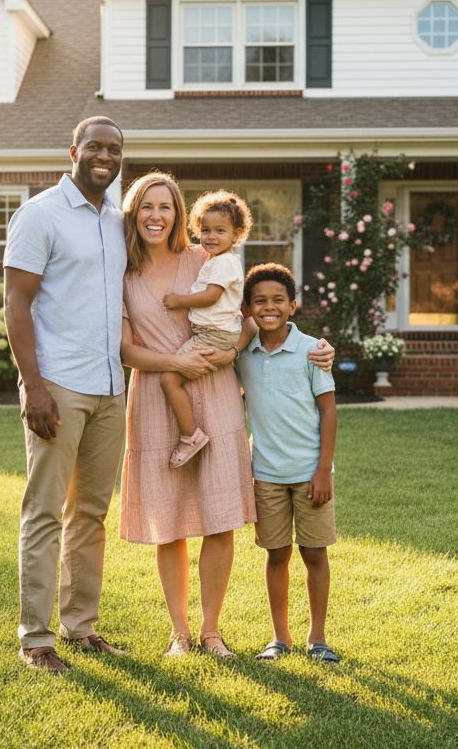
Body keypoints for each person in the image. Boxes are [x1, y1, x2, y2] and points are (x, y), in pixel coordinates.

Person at [117, 172, 334, 658]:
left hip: (214, 392)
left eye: (166, 206)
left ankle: (211, 631)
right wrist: (175, 362)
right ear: (133, 213)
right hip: (155, 396)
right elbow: (126, 349)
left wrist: (314, 348)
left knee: (218, 518)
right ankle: (179, 633)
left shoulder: (205, 258)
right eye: (146, 207)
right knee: (168, 523)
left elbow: (257, 313)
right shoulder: (123, 274)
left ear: (179, 215)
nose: (156, 216)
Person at [3, 116, 128, 674]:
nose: (105, 155)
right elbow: (15, 303)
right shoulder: (41, 215)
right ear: (74, 151)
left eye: (114, 149)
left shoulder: (117, 222)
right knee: (45, 511)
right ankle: (36, 637)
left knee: (92, 514)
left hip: (110, 388)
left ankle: (81, 627)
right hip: (57, 385)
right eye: (95, 147)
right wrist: (33, 385)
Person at [236, 263, 342, 665]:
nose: (269, 307)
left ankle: (318, 638)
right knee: (275, 555)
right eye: (260, 301)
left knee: (314, 554)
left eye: (278, 300)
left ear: (292, 306)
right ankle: (280, 638)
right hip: (265, 475)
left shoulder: (313, 350)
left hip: (310, 474)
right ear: (248, 309)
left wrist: (322, 469)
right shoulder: (243, 352)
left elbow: (328, 413)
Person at [159, 190, 249, 468]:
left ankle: (191, 435)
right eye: (205, 230)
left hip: (215, 335)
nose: (211, 236)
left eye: (220, 231)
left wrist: (178, 301)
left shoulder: (225, 262)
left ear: (236, 234)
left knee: (169, 380)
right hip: (213, 332)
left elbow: (211, 296)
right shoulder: (215, 260)